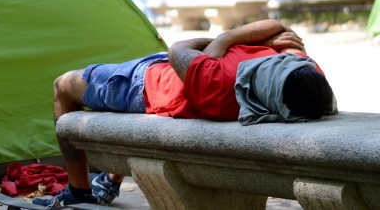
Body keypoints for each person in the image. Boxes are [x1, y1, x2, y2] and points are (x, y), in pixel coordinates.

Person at [32, 19, 337, 207]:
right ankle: (110, 178)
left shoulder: (219, 82)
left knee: (63, 86)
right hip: (183, 73)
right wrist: (265, 43)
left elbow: (178, 48)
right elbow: (282, 28)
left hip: (147, 85)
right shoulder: (305, 77)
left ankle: (79, 190)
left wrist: (226, 40)